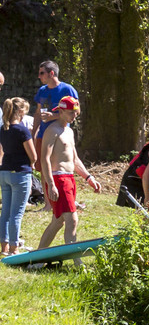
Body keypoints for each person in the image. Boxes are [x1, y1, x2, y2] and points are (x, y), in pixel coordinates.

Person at [37, 97, 103, 250]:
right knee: (72, 219)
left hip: (69, 178)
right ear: (60, 111)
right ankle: (76, 260)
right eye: (70, 113)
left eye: (75, 113)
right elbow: (44, 159)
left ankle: (37, 257)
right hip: (58, 178)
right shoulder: (52, 130)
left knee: (57, 221)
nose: (74, 116)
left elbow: (74, 159)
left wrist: (89, 178)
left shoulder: (69, 131)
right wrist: (51, 184)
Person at [0, 97, 38, 255]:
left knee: (6, 212)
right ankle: (14, 249)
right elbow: (33, 156)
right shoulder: (22, 130)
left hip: (4, 172)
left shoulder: (3, 129)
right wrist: (33, 162)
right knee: (17, 213)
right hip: (20, 174)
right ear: (20, 111)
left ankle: (4, 247)